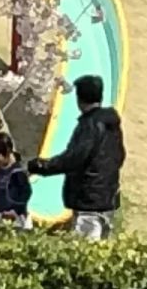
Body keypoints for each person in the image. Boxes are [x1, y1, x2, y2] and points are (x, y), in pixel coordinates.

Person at [30, 73, 125, 238]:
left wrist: (40, 166)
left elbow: (74, 158)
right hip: (107, 198)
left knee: (85, 249)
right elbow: (120, 156)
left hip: (88, 200)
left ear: (79, 99)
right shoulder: (111, 125)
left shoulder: (90, 125)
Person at [0, 132, 32, 228]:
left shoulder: (17, 172)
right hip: (0, 214)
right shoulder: (0, 171)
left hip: (16, 218)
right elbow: (1, 197)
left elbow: (25, 194)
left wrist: (14, 211)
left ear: (8, 152)